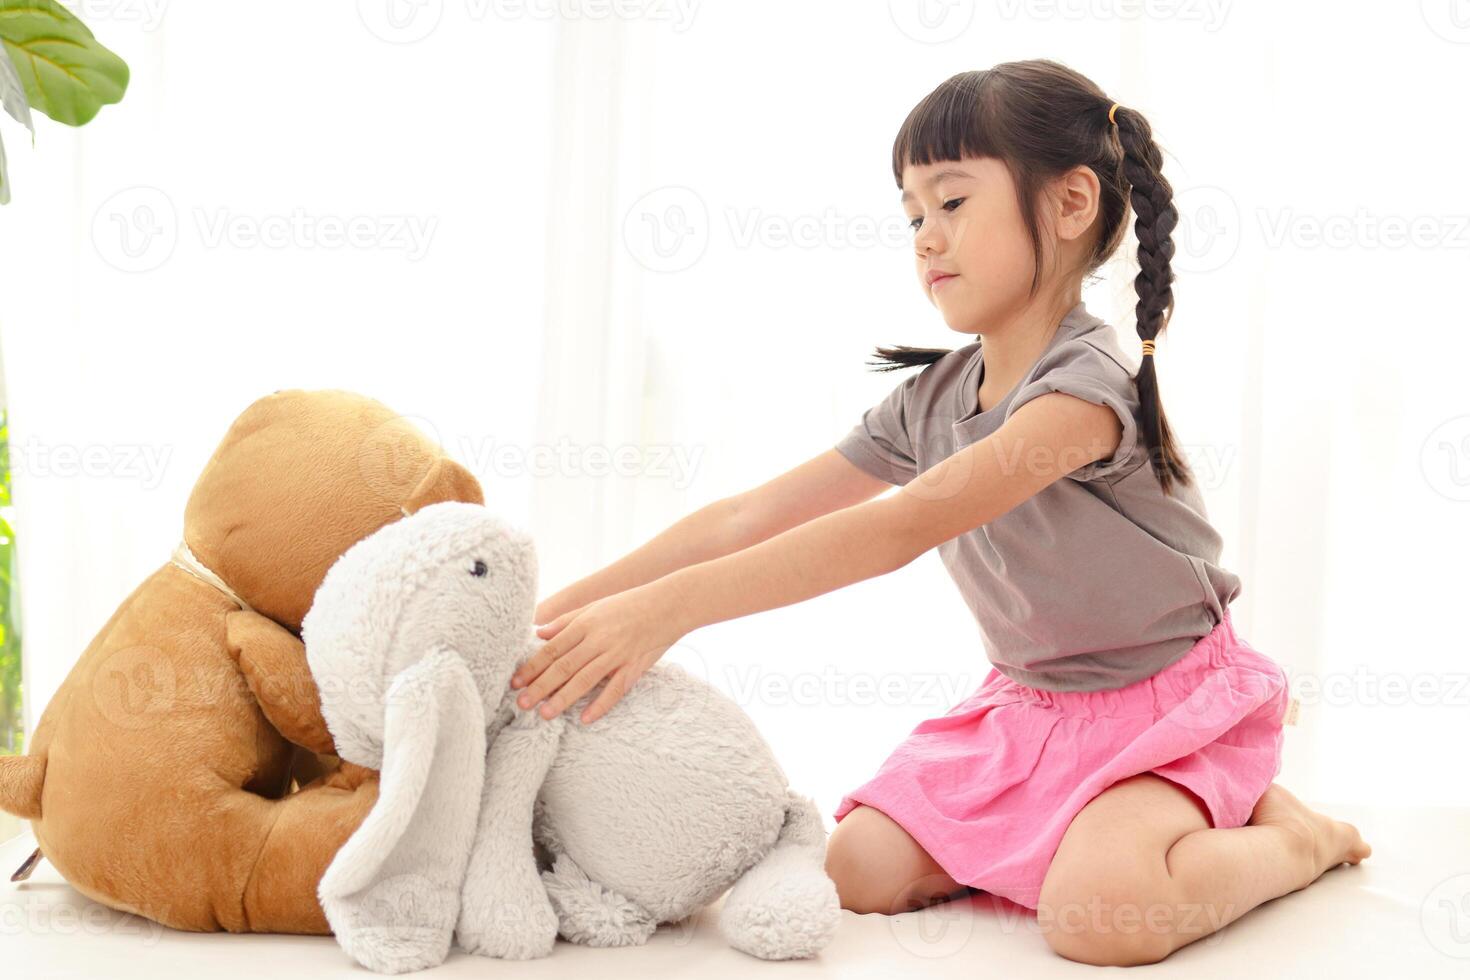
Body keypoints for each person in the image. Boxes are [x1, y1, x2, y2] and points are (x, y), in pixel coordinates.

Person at [509, 60, 1370, 966]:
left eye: (953, 203)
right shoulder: (932, 399)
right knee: (858, 871)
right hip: (1032, 709)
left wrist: (671, 612)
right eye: (914, 214)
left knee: (1099, 917)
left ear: (1072, 203)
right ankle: (1064, 827)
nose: (926, 238)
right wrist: (547, 619)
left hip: (1162, 707)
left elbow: (899, 527)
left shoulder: (1084, 392)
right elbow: (746, 517)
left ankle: (1295, 838)